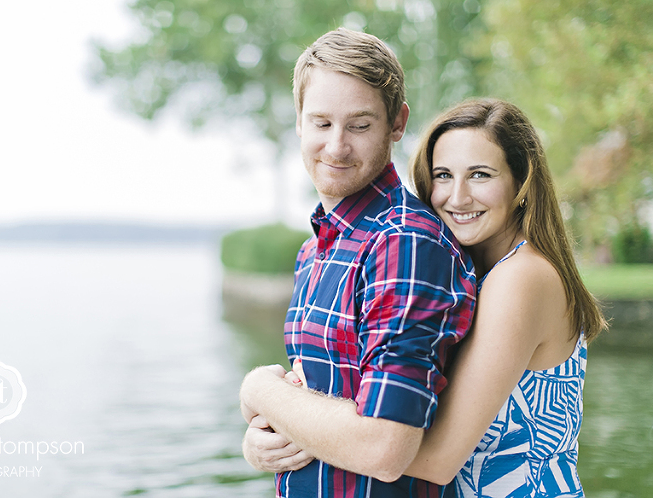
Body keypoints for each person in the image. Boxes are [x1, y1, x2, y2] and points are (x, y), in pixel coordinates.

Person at [239, 28, 477, 497]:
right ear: (299, 123)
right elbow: (316, 401)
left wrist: (258, 389)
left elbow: (385, 448)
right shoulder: (315, 250)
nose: (336, 146)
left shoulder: (405, 243)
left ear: (397, 123)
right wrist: (262, 442)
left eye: (360, 125)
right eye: (322, 123)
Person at [398, 98, 607, 496]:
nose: (456, 198)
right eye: (443, 175)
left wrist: (290, 416)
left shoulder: (521, 277)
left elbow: (439, 460)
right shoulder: (481, 275)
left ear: (521, 182)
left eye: (479, 175)